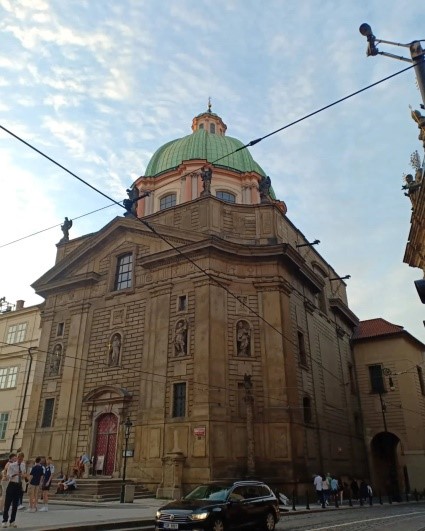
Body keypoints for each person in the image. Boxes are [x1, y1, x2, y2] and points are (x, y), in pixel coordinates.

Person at [2, 452, 26, 528]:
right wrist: (15, 474)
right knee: (7, 504)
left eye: (21, 459)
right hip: (12, 484)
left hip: (18, 485)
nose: (20, 460)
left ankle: (12, 521)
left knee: (15, 504)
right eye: (19, 459)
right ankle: (5, 521)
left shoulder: (23, 465)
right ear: (17, 458)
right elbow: (8, 476)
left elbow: (23, 474)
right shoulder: (12, 465)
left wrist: (23, 476)